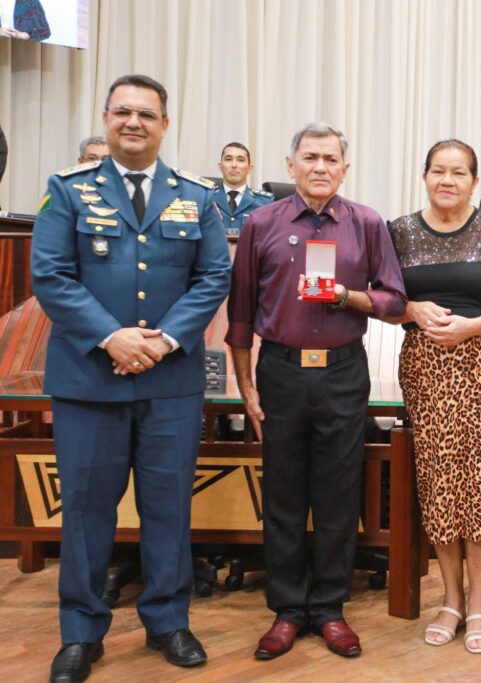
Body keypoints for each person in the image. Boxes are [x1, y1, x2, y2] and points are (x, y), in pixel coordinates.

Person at [31, 73, 231, 683]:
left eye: (147, 114)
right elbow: (51, 275)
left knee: (167, 506)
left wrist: (163, 340)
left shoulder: (196, 196)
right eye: (123, 113)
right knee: (87, 511)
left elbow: (213, 277)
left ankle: (168, 621)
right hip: (90, 381)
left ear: (165, 125)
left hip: (169, 383)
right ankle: (80, 633)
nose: (134, 123)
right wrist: (112, 337)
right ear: (107, 118)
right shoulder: (68, 190)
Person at [227, 122, 406, 661]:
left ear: (345, 168)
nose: (321, 167)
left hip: (341, 371)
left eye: (331, 158)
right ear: (290, 165)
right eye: (311, 157)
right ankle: (285, 609)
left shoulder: (367, 224)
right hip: (279, 370)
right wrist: (246, 387)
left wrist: (350, 296)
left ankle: (329, 608)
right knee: (283, 494)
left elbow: (395, 301)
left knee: (336, 493)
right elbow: (239, 315)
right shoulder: (261, 224)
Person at [386, 139, 481, 654]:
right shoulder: (399, 231)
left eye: (458, 172)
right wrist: (412, 310)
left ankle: (478, 603)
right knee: (440, 482)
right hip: (425, 370)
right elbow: (384, 303)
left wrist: (476, 326)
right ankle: (448, 600)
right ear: (424, 176)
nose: (447, 180)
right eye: (438, 171)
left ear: (475, 180)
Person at [212, 142, 273, 237]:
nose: (234, 165)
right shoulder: (207, 198)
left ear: (249, 168)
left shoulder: (265, 203)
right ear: (220, 167)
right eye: (228, 159)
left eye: (240, 160)